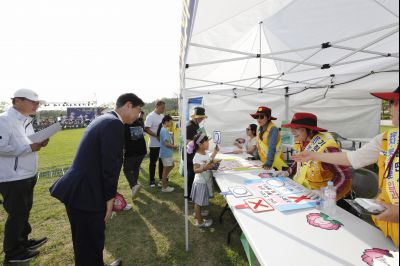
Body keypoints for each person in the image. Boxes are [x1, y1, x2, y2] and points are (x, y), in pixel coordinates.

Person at [293, 87, 399, 247]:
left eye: (392, 102)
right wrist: (314, 155)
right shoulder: (386, 138)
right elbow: (354, 158)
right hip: (386, 227)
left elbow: (343, 175)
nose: (388, 107)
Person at [50, 93, 145, 266]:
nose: (139, 115)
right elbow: (110, 165)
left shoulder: (106, 119)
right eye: (139, 110)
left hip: (84, 189)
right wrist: (110, 198)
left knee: (89, 241)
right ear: (128, 105)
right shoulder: (114, 124)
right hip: (86, 192)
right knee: (89, 242)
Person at [0, 89, 49, 264]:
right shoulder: (4, 120)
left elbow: (26, 143)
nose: (37, 105)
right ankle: (12, 252)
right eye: (33, 102)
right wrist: (29, 148)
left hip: (27, 173)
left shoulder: (26, 120)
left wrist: (39, 141)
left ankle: (23, 242)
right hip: (12, 177)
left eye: (38, 103)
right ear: (17, 101)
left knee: (24, 211)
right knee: (17, 214)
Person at [280, 113, 352, 201]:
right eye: (292, 128)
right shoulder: (301, 141)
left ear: (309, 130)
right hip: (306, 193)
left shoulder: (327, 148)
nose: (292, 131)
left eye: (297, 128)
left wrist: (325, 192)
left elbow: (345, 177)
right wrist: (287, 172)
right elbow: (299, 162)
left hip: (328, 201)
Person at [189, 133, 219, 228]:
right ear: (200, 145)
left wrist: (215, 153)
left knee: (201, 199)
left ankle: (200, 212)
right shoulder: (197, 157)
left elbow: (208, 160)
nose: (208, 143)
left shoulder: (205, 153)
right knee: (198, 202)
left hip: (205, 181)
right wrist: (205, 168)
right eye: (206, 141)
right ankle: (200, 222)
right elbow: (195, 170)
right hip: (200, 183)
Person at [123, 111, 147, 200]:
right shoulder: (139, 123)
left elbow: (123, 138)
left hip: (132, 152)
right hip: (141, 151)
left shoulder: (125, 124)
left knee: (126, 170)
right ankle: (134, 187)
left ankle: (134, 185)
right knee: (135, 168)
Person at [185, 107, 208, 197]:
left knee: (192, 174)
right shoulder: (189, 126)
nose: (202, 119)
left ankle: (191, 193)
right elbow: (186, 141)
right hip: (189, 154)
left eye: (203, 117)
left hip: (193, 153)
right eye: (200, 117)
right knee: (190, 174)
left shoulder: (196, 125)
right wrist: (198, 142)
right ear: (195, 117)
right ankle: (189, 194)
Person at [145, 101, 165, 187]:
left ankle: (161, 178)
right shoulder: (150, 116)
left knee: (162, 162)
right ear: (157, 106)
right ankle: (152, 180)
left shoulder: (162, 116)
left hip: (162, 144)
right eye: (162, 108)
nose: (163, 109)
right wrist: (156, 136)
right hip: (154, 144)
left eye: (164, 108)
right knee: (153, 163)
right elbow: (146, 129)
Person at [157, 115, 177, 193]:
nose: (171, 123)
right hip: (165, 153)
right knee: (165, 171)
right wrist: (174, 146)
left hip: (167, 153)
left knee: (172, 165)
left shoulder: (164, 129)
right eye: (170, 122)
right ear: (167, 121)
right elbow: (166, 143)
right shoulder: (164, 130)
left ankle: (163, 181)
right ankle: (164, 187)